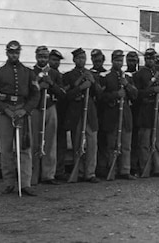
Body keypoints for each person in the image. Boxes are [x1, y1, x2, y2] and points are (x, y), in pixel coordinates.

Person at [0, 40, 40, 196]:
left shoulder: (28, 72)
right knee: (6, 149)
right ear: (7, 53)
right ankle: (8, 183)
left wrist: (26, 110)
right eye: (11, 52)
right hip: (5, 112)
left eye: (16, 52)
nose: (14, 55)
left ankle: (25, 184)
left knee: (25, 148)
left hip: (22, 111)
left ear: (19, 53)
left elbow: (36, 94)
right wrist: (5, 109)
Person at [63, 48, 100, 183]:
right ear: (74, 60)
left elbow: (99, 95)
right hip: (76, 113)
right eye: (78, 58)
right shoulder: (68, 75)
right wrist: (80, 86)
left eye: (83, 58)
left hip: (90, 113)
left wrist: (93, 83)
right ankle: (78, 171)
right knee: (78, 142)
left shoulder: (92, 74)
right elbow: (66, 95)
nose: (81, 61)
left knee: (92, 144)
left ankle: (90, 173)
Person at [134, 48, 159, 177]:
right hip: (146, 110)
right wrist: (152, 89)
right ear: (145, 59)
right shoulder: (139, 74)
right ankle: (145, 167)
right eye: (148, 58)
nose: (151, 60)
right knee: (145, 141)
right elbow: (137, 94)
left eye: (153, 58)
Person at [100, 50, 137, 180]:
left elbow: (135, 94)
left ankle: (125, 170)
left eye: (121, 60)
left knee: (126, 145)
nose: (119, 63)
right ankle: (112, 169)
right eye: (116, 60)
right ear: (112, 61)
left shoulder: (127, 77)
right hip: (112, 113)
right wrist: (116, 95)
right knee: (112, 145)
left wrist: (126, 85)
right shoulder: (105, 76)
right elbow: (101, 96)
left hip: (125, 113)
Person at [31, 46, 65, 185]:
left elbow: (62, 94)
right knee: (34, 141)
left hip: (50, 108)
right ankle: (34, 174)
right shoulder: (30, 72)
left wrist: (51, 84)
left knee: (50, 142)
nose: (43, 59)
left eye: (45, 57)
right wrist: (39, 85)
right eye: (40, 56)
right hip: (35, 108)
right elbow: (27, 92)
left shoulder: (54, 73)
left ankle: (48, 175)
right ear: (36, 57)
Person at [49, 49, 70, 180]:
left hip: (60, 112)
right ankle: (48, 171)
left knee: (61, 143)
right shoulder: (44, 74)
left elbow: (63, 93)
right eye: (53, 60)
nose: (55, 62)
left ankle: (59, 170)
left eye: (57, 60)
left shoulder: (60, 76)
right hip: (48, 110)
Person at [89, 49, 109, 177]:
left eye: (99, 60)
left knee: (104, 141)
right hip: (93, 110)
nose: (97, 63)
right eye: (95, 60)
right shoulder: (89, 73)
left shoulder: (107, 74)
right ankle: (92, 168)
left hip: (105, 110)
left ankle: (103, 167)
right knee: (92, 141)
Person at [125, 51, 141, 176]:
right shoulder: (124, 74)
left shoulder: (139, 75)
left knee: (136, 141)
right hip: (126, 110)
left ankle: (135, 166)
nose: (132, 62)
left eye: (134, 60)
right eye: (130, 60)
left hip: (138, 110)